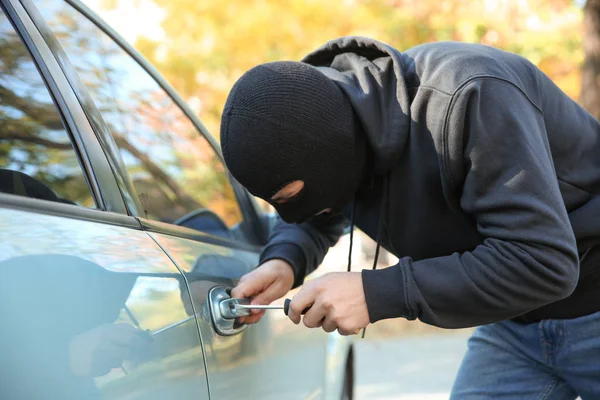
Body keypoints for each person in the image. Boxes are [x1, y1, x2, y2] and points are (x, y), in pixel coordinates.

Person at [220, 36, 600, 399]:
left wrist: (378, 292)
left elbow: (543, 262)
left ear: (332, 152)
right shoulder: (337, 130)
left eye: (290, 196)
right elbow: (320, 207)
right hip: (517, 324)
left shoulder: (471, 94)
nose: (292, 212)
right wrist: (285, 258)